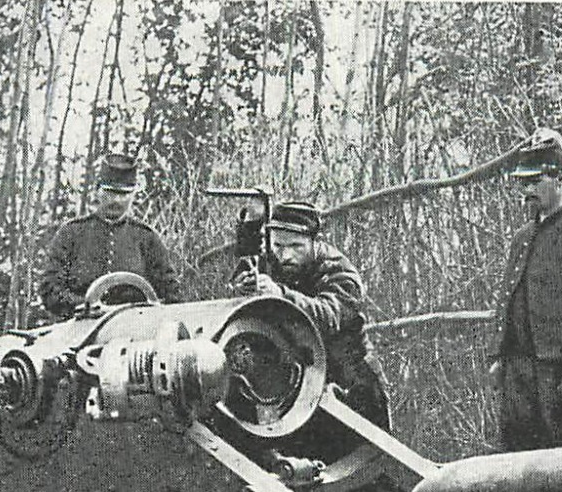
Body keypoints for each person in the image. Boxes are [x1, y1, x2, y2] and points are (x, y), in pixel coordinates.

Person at [214, 199, 394, 433]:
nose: (286, 255)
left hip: (350, 384)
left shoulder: (340, 271)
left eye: (296, 246)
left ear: (315, 242)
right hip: (299, 384)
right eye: (278, 246)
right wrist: (245, 288)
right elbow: (246, 270)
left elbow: (328, 317)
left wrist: (280, 295)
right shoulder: (273, 261)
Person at [490, 131, 562, 451]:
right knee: (518, 456)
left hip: (560, 372)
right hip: (518, 370)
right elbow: (509, 297)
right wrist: (499, 356)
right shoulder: (522, 237)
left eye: (536, 181)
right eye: (523, 183)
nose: (527, 191)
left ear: (560, 179)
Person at [38, 153, 180, 318]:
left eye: (124, 194)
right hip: (79, 326)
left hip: (136, 327)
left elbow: (171, 293)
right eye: (110, 192)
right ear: (97, 191)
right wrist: (83, 305)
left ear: (133, 195)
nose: (117, 200)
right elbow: (49, 288)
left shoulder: (146, 237)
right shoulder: (71, 233)